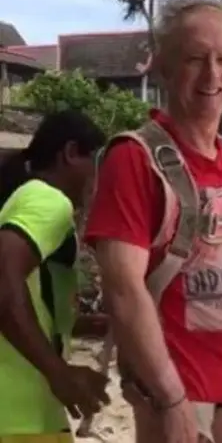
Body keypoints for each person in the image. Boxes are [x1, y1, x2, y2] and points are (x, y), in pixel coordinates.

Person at [84, 0, 222, 443]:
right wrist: (171, 399)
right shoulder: (135, 161)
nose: (212, 75)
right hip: (175, 401)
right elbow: (123, 290)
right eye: (195, 59)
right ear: (162, 66)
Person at [0, 110, 110, 441]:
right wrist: (58, 372)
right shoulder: (49, 201)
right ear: (71, 153)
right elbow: (3, 281)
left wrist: (97, 323)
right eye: (98, 164)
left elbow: (31, 303)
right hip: (18, 414)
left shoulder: (21, 197)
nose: (101, 179)